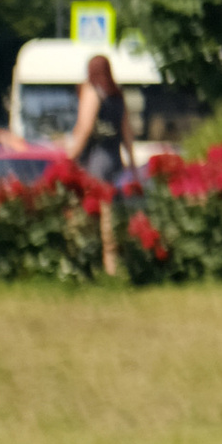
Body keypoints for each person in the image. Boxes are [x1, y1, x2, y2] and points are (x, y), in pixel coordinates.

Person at [62, 52, 129, 279]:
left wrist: (70, 156)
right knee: (110, 215)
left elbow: (85, 127)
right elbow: (127, 132)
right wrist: (133, 166)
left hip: (95, 160)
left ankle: (90, 265)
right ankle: (112, 266)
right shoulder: (118, 95)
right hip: (114, 159)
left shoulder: (92, 92)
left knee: (90, 211)